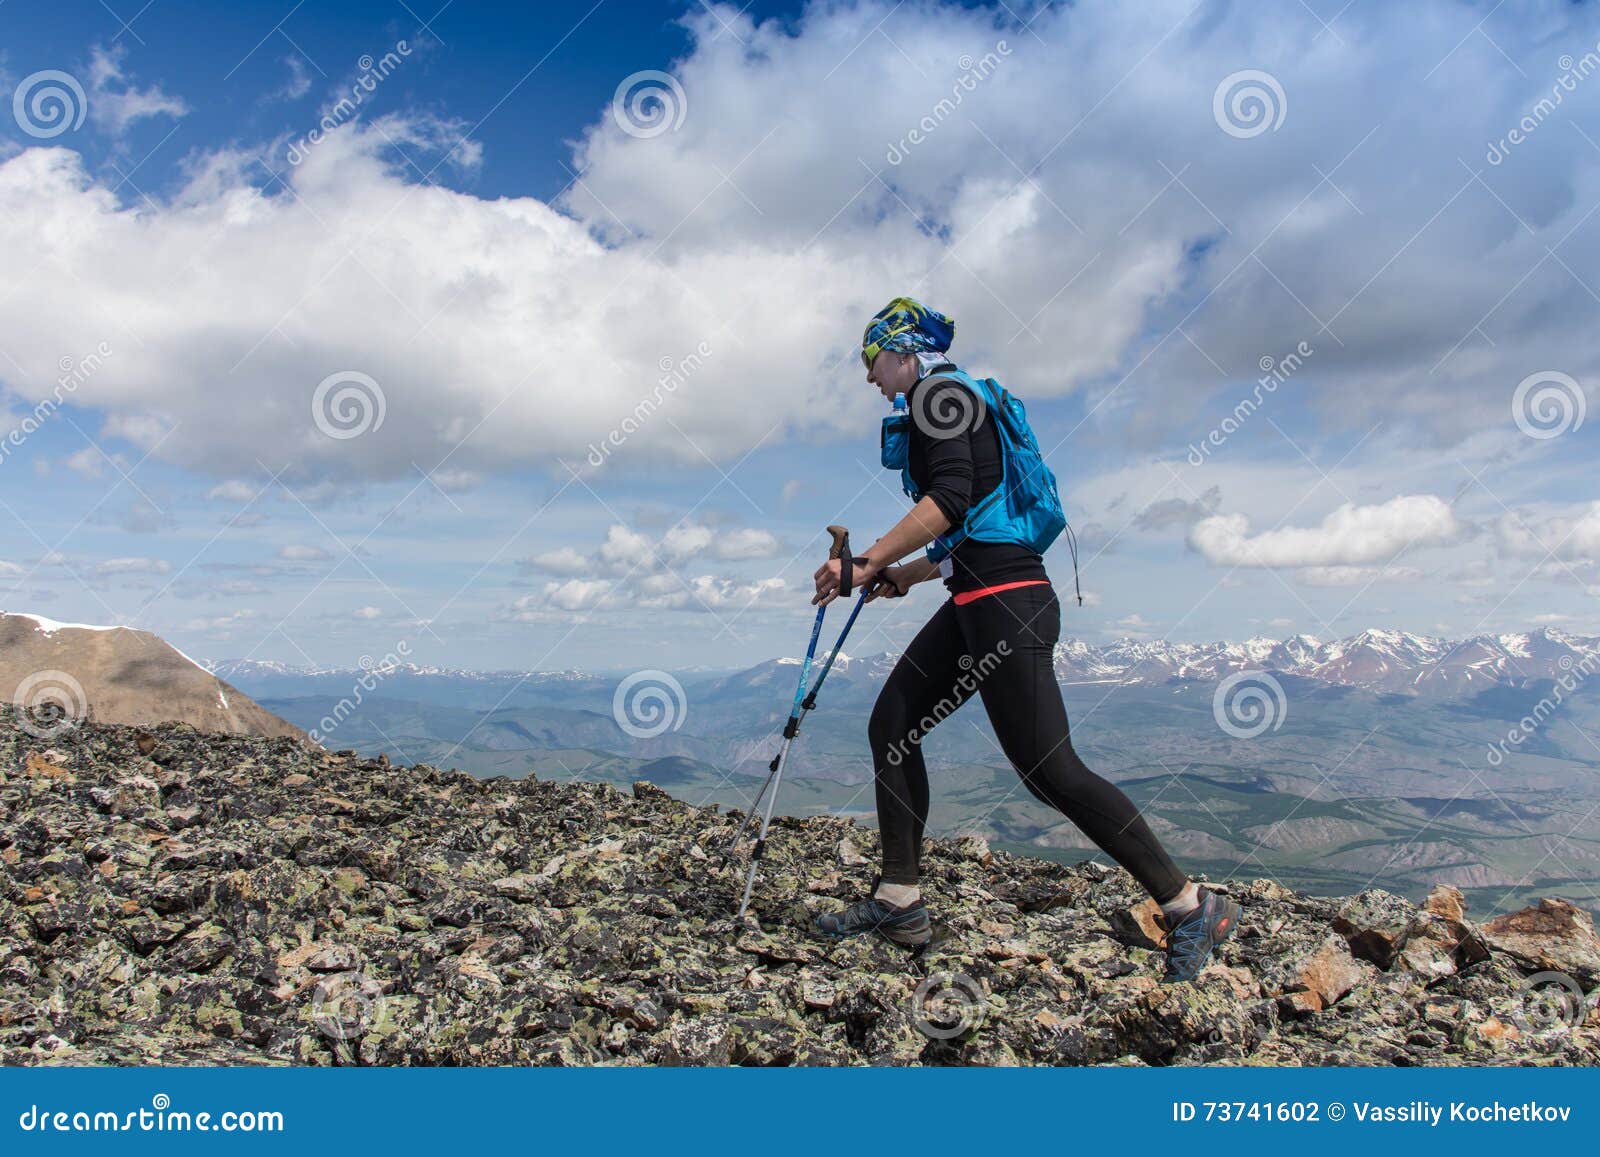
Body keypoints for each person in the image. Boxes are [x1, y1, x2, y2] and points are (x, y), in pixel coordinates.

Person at [810, 297, 1242, 984]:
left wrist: (862, 563)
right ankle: (900, 898)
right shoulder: (946, 399)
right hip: (979, 601)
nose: (868, 378)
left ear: (902, 351)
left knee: (1052, 771)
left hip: (1005, 607)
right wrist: (903, 576)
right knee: (892, 723)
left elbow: (947, 500)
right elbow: (970, 526)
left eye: (871, 360)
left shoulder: (938, 395)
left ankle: (1190, 906)